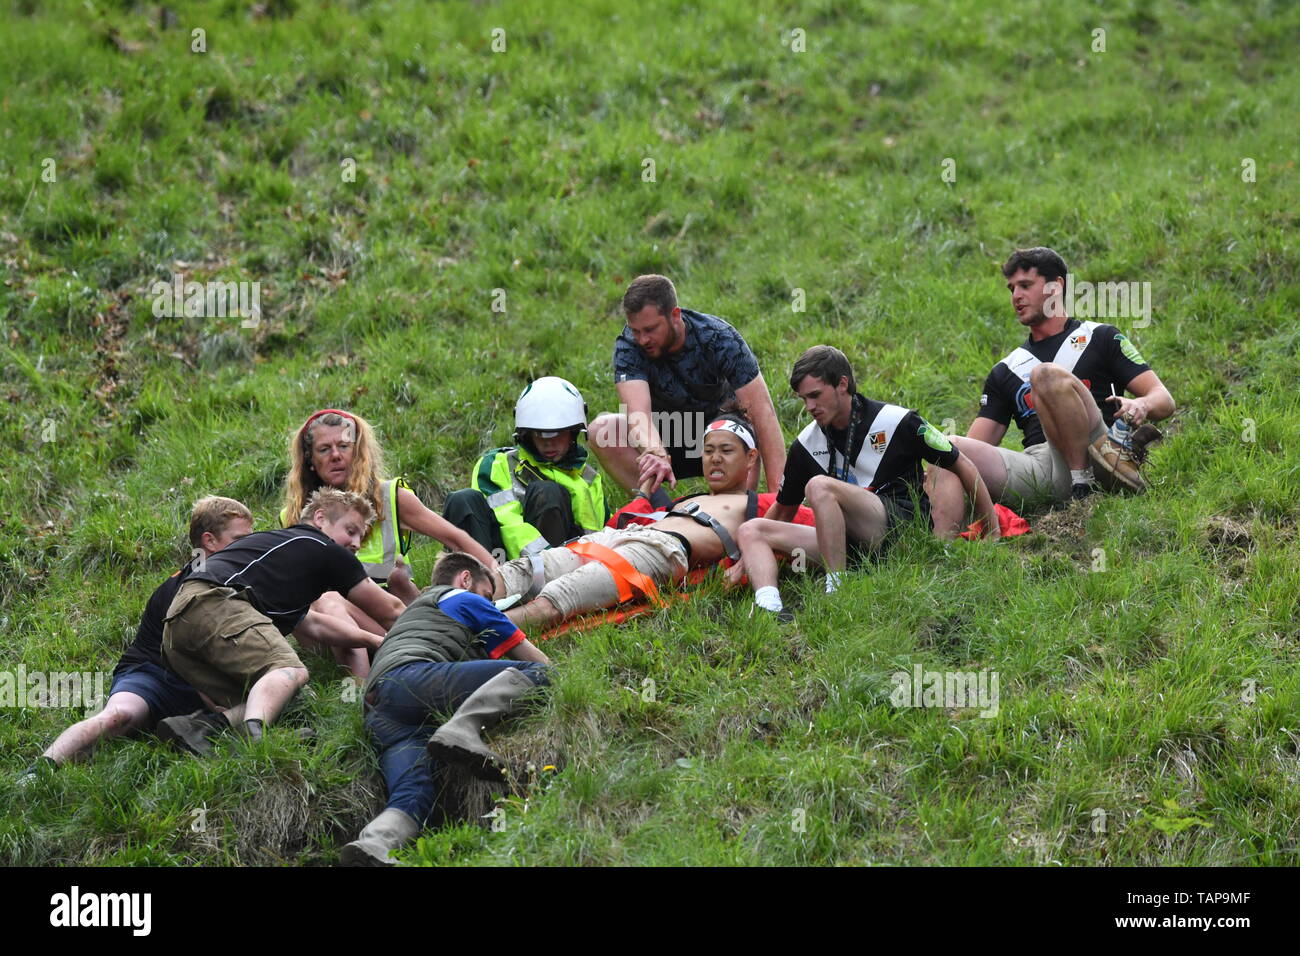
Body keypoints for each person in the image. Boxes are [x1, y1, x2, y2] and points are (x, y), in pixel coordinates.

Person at [731, 346, 1000, 620]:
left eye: (815, 396)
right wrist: (744, 561)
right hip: (843, 543)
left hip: (897, 532)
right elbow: (783, 508)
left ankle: (837, 588)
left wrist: (992, 528)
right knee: (752, 529)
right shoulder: (806, 444)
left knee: (819, 486)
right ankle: (769, 607)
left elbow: (962, 464)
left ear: (842, 384)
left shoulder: (899, 421)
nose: (809, 407)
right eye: (803, 400)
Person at [927, 247, 1174, 534]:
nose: (1016, 296)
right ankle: (942, 549)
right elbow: (967, 453)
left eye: (1025, 286)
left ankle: (1084, 488)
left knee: (1044, 375)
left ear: (1056, 286)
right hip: (1042, 469)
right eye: (1011, 288)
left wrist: (1141, 405)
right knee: (944, 447)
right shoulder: (1005, 369)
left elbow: (1164, 400)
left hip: (1099, 451)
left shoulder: (1102, 336)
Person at [495, 410, 797, 632]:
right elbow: (627, 517)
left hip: (660, 550)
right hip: (620, 537)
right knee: (523, 571)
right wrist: (644, 495)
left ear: (750, 458)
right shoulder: (686, 500)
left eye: (726, 451)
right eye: (708, 451)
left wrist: (744, 565)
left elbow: (807, 530)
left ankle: (480, 633)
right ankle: (454, 602)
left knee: (558, 598)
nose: (715, 458)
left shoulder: (761, 504)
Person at [18, 497, 253, 782]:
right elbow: (179, 654)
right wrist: (209, 694)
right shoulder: (183, 587)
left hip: (207, 683)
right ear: (210, 541)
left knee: (276, 693)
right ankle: (39, 772)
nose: (248, 548)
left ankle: (200, 726)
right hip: (153, 673)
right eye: (240, 539)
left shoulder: (245, 576)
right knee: (118, 717)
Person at [341, 553, 550, 866]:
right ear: (465, 579)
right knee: (542, 675)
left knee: (414, 790)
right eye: (486, 595)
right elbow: (537, 661)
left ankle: (374, 844)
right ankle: (463, 728)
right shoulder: (461, 598)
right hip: (411, 679)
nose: (489, 605)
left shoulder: (418, 615)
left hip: (381, 710)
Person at [160, 488, 405, 745]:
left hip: (176, 631)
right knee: (289, 669)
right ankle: (259, 741)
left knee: (284, 699)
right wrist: (433, 633)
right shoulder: (321, 546)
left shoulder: (282, 558)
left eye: (361, 537)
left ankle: (199, 729)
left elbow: (317, 625)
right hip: (216, 602)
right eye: (351, 531)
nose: (356, 543)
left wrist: (376, 641)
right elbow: (391, 610)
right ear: (320, 518)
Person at [283, 409, 499, 675]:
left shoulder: (389, 497)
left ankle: (359, 689)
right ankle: (359, 690)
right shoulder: (292, 517)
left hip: (390, 618)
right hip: (329, 631)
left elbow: (456, 538)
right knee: (321, 602)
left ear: (358, 451)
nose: (336, 455)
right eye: (324, 449)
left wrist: (495, 582)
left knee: (333, 600)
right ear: (310, 461)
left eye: (344, 446)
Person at [588, 274, 786, 500]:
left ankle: (737, 510)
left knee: (742, 427)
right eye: (636, 330)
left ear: (674, 315)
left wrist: (780, 499)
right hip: (669, 436)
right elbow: (637, 414)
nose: (643, 339)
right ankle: (660, 515)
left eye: (651, 329)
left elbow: (762, 414)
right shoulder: (629, 346)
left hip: (721, 436)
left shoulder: (718, 337)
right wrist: (656, 452)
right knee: (601, 429)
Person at [442, 377, 608, 564]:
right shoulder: (496, 464)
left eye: (558, 433)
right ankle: (471, 587)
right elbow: (509, 524)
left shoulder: (589, 479)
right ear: (526, 433)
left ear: (574, 432)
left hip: (565, 570)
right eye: (540, 433)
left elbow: (597, 536)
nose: (549, 442)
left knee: (549, 493)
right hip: (498, 563)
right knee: (462, 499)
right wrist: (536, 560)